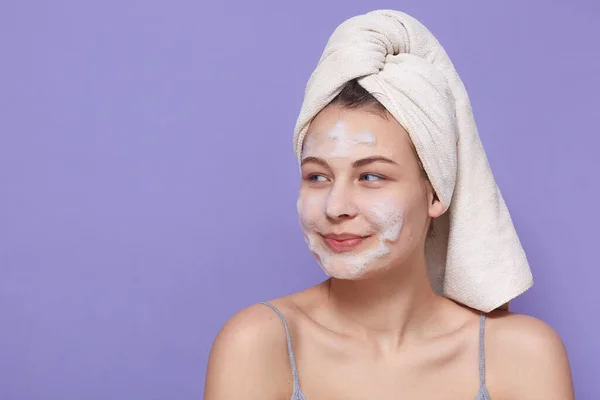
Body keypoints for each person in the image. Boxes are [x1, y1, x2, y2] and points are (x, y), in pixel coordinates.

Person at [204, 10, 574, 400]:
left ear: (434, 193)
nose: (336, 206)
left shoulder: (522, 355)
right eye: (318, 176)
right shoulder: (259, 344)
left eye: (371, 176)